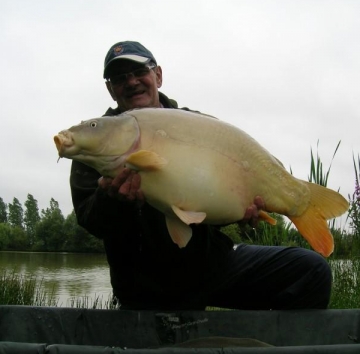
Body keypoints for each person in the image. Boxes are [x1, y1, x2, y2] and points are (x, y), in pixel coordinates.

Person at [70, 41, 332, 310]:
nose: (132, 82)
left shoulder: (197, 125)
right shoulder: (95, 143)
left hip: (211, 267)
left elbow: (212, 197)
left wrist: (240, 212)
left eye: (139, 72)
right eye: (120, 77)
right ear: (110, 88)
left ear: (158, 75)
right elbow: (89, 219)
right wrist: (112, 199)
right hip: (142, 285)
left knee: (312, 271)